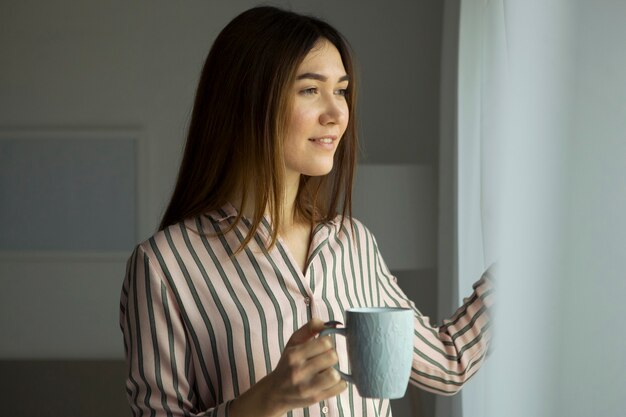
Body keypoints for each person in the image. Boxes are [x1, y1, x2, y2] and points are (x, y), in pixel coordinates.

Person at [119, 6, 494, 417]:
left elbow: (448, 363)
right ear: (248, 100)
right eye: (311, 90)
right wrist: (267, 399)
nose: (337, 115)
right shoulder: (164, 266)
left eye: (342, 90)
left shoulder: (354, 242)